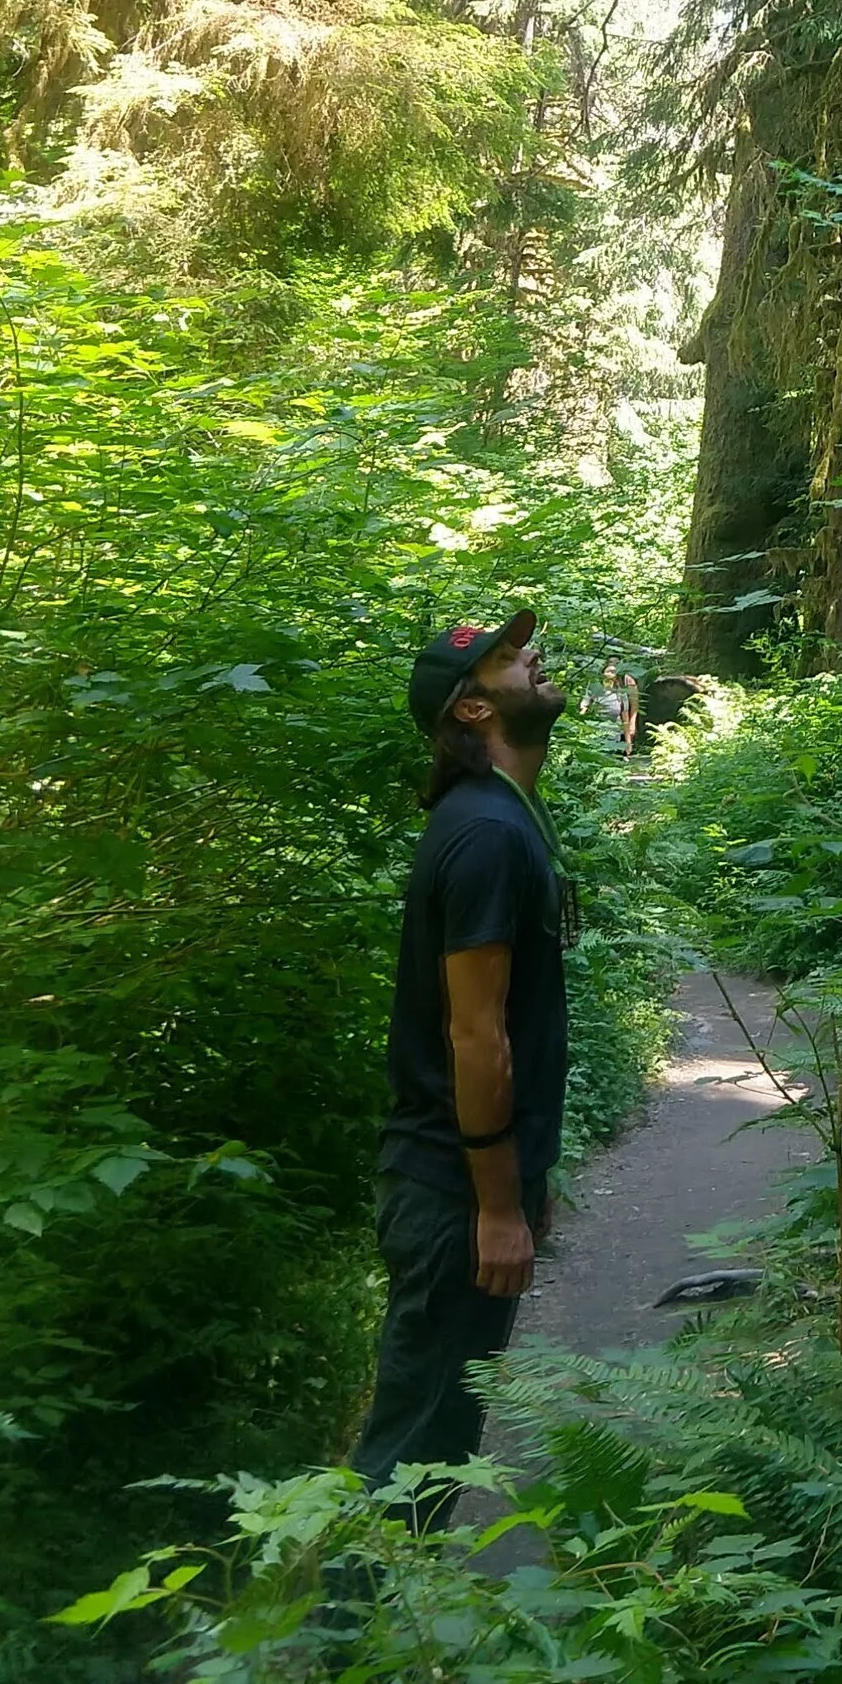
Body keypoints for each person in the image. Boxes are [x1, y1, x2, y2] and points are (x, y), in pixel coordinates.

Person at [349, 608, 571, 1523]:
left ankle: (387, 1651)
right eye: (507, 658)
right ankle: (348, 1649)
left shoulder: (500, 818)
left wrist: (521, 1180)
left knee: (435, 1439)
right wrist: (496, 1203)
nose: (531, 657)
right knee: (411, 1452)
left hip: (460, 1182)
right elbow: (476, 1035)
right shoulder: (485, 833)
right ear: (474, 710)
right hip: (452, 1194)